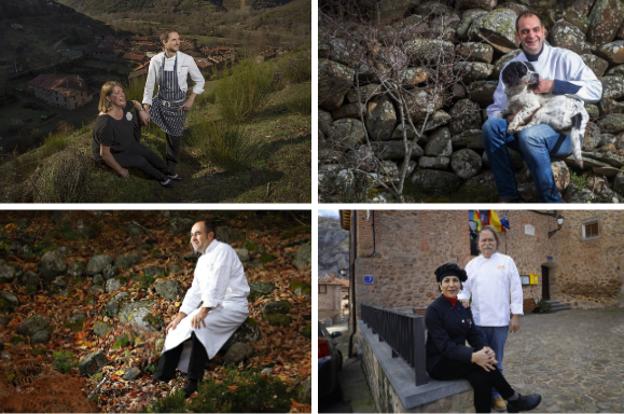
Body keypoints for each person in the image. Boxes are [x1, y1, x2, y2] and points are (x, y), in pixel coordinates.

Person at [482, 11, 602, 202]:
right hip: (523, 126)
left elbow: (596, 90)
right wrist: (507, 118)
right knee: (491, 127)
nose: (531, 35)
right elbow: (496, 107)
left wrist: (555, 85)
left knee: (530, 135)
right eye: (525, 31)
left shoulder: (565, 58)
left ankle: (552, 201)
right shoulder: (511, 68)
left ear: (544, 32)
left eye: (536, 29)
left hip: (563, 134)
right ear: (517, 36)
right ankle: (509, 196)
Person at [426, 262, 541, 413]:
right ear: (440, 286)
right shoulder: (433, 310)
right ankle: (514, 399)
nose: (451, 284)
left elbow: (474, 334)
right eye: (446, 281)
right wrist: (473, 356)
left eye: (455, 281)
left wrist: (485, 349)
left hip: (459, 358)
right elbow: (445, 346)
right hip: (440, 363)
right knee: (485, 366)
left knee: (482, 377)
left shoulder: (463, 307)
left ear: (460, 285)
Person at [153, 220, 250, 397]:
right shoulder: (203, 259)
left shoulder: (223, 251)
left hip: (233, 306)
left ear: (210, 235)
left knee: (200, 325)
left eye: (197, 233)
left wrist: (204, 310)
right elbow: (195, 290)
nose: (193, 238)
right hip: (213, 305)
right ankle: (162, 376)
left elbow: (218, 283)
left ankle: (193, 381)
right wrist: (180, 315)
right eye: (192, 235)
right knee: (177, 329)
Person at [458, 226, 523, 411]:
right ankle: (488, 395)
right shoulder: (472, 265)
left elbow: (516, 289)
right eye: (483, 240)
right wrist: (463, 301)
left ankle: (496, 395)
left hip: (500, 322)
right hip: (478, 324)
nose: (487, 243)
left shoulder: (507, 261)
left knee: (497, 361)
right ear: (478, 244)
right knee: (484, 361)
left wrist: (515, 315)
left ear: (496, 242)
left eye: (490, 240)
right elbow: (464, 290)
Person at [142, 29, 205, 177]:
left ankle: (170, 170)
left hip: (178, 107)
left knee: (174, 139)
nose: (178, 42)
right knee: (135, 113)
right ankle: (131, 147)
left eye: (179, 39)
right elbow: (149, 84)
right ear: (164, 42)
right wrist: (145, 107)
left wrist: (191, 99)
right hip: (160, 104)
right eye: (174, 40)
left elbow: (200, 80)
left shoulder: (187, 59)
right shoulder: (156, 60)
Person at [92, 81, 176, 186]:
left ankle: (169, 172)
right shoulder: (105, 124)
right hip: (112, 153)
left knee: (149, 154)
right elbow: (104, 154)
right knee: (140, 161)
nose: (122, 94)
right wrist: (121, 170)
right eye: (117, 93)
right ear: (108, 98)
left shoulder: (122, 106)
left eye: (122, 91)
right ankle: (163, 179)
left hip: (123, 144)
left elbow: (135, 102)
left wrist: (141, 111)